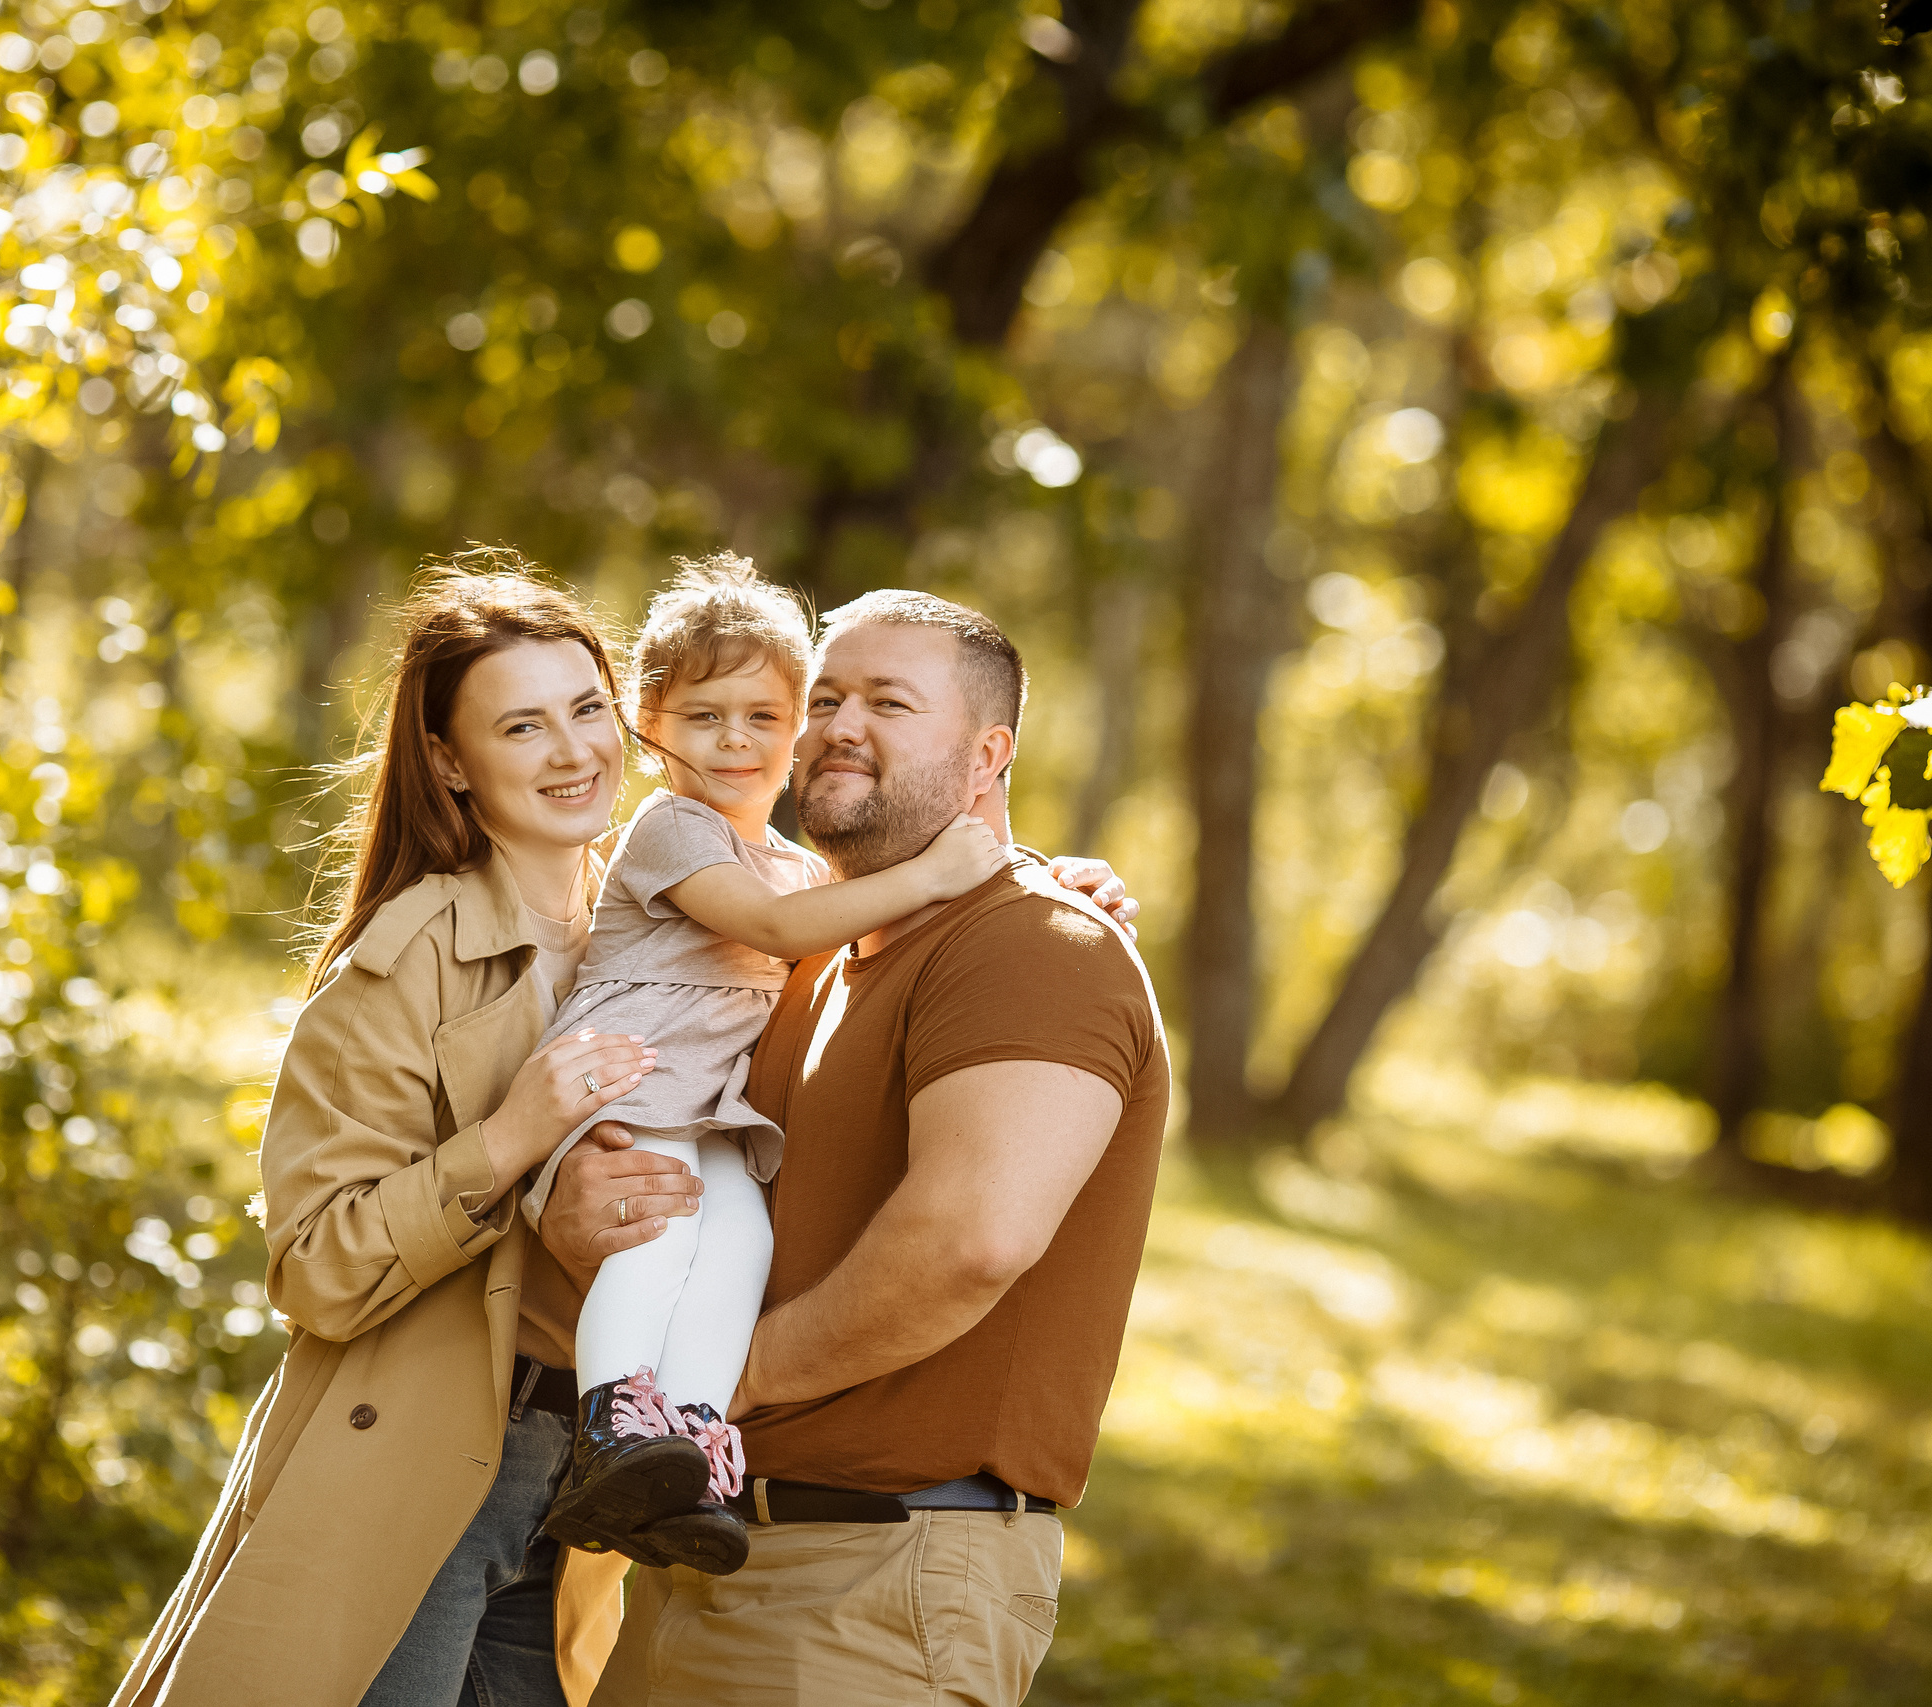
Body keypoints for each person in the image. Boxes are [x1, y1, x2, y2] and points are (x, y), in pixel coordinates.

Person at [111, 556, 1141, 1707]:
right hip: (435, 1467)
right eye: (521, 726)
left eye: (585, 710)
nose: (571, 751)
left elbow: (863, 898)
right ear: (451, 760)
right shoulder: (408, 961)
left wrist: (1039, 884)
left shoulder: (670, 919)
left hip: (589, 1505)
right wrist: (509, 1153)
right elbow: (316, 1270)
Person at [543, 590, 1171, 1707]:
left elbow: (969, 1243)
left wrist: (717, 1393)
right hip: (709, 1552)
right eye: (825, 696)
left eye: (888, 701)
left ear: (988, 754)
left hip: (875, 1581)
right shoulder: (807, 953)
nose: (840, 724)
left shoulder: (1033, 946)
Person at [521, 558, 1016, 1576]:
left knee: (741, 1250)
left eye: (763, 718)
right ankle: (612, 1423)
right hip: (631, 1086)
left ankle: (693, 1444)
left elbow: (847, 896)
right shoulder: (671, 833)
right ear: (649, 726)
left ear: (794, 732)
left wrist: (1047, 872)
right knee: (657, 1243)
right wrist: (933, 871)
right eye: (704, 718)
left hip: (711, 1115)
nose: (736, 744)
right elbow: (787, 928)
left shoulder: (793, 861)